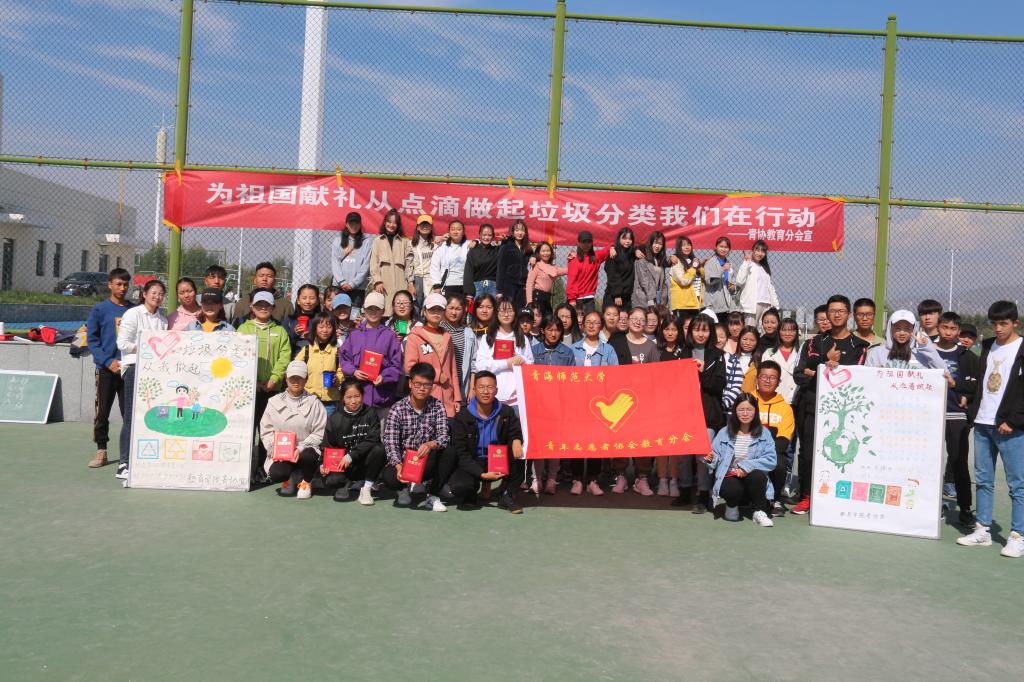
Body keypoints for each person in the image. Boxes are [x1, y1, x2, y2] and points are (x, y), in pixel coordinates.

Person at [956, 301, 1024, 556]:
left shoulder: (1022, 348)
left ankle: (1018, 536)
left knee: (1017, 484)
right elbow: (981, 383)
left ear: (1015, 322)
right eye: (994, 323)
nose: (998, 328)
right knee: (983, 480)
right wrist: (968, 398)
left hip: (1010, 427)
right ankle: (982, 529)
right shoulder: (987, 346)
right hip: (983, 424)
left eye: (1003, 323)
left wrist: (1014, 420)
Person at [791, 295, 868, 515]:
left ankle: (837, 496)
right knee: (808, 453)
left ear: (849, 314)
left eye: (841, 311)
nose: (836, 315)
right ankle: (807, 496)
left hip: (844, 412)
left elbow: (855, 379)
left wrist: (817, 370)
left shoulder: (859, 346)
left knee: (843, 453)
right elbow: (799, 375)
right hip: (812, 407)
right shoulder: (813, 343)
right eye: (832, 311)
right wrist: (824, 362)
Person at [441, 371, 526, 513]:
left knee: (519, 456)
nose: (486, 392)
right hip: (474, 460)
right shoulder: (463, 416)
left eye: (490, 387)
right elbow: (461, 452)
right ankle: (471, 494)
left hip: (498, 459)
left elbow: (514, 431)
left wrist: (517, 440)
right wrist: (481, 474)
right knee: (460, 486)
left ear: (496, 390)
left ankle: (507, 495)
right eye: (481, 387)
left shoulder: (506, 412)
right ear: (474, 390)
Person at [115, 279, 168, 480]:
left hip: (155, 372)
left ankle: (145, 460)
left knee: (154, 416)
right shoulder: (133, 314)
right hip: (134, 369)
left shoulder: (163, 321)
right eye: (153, 292)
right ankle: (123, 463)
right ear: (144, 294)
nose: (157, 296)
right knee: (131, 416)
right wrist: (146, 349)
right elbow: (122, 343)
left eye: (161, 293)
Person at [238, 290, 293, 480]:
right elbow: (238, 356)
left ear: (273, 308)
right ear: (252, 306)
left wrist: (274, 378)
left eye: (267, 305)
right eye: (259, 304)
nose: (263, 308)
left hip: (271, 390)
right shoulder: (243, 329)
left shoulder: (280, 331)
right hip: (248, 390)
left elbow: (284, 357)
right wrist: (252, 381)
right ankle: (244, 469)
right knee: (247, 430)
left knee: (267, 431)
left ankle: (262, 468)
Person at [382, 362, 452, 512]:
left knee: (450, 451)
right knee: (389, 478)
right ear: (410, 383)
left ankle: (432, 495)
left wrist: (431, 444)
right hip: (404, 460)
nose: (422, 388)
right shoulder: (397, 408)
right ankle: (403, 488)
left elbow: (444, 437)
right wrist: (398, 465)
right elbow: (391, 442)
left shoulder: (438, 406)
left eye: (426, 385)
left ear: (432, 386)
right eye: (418, 384)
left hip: (426, 460)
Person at [705, 393, 777, 527]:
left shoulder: (764, 433)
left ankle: (759, 511)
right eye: (741, 410)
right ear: (735, 411)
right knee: (732, 489)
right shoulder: (724, 432)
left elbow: (771, 460)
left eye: (749, 410)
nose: (745, 413)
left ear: (755, 411)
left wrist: (746, 467)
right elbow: (715, 456)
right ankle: (731, 507)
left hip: (751, 475)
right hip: (730, 475)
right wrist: (711, 459)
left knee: (758, 476)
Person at [258, 360, 327, 500]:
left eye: (300, 377)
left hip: (305, 450)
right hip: (282, 452)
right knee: (277, 473)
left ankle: (306, 481)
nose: (296, 381)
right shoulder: (273, 401)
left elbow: (319, 433)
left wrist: (300, 448)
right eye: (292, 377)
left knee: (309, 455)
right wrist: (274, 449)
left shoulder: (315, 403)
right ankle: (289, 478)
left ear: (306, 379)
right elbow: (266, 430)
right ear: (286, 378)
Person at [608, 307, 659, 495]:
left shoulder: (651, 346)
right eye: (634, 318)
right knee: (621, 437)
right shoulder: (616, 342)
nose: (638, 322)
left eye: (641, 319)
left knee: (642, 439)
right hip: (620, 401)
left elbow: (657, 375)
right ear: (627, 320)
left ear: (646, 322)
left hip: (643, 402)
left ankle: (642, 477)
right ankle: (620, 475)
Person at [935, 311, 979, 524]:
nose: (948, 332)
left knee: (958, 462)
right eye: (945, 327)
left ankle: (965, 508)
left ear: (958, 331)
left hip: (956, 416)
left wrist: (965, 396)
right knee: (929, 461)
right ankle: (930, 504)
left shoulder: (968, 357)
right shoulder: (925, 351)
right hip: (930, 415)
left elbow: (975, 387)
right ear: (938, 327)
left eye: (953, 329)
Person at [86, 268, 132, 469]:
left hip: (128, 369)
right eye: (118, 284)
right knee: (102, 411)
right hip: (106, 370)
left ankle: (129, 453)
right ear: (110, 285)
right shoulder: (99, 309)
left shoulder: (134, 310)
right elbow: (92, 341)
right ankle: (101, 450)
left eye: (125, 284)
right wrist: (107, 361)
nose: (122, 288)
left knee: (128, 413)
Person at [568, 310, 619, 496]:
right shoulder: (573, 349)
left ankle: (592, 480)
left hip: (599, 404)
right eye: (588, 322)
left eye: (596, 322)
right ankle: (576, 479)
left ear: (601, 326)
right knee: (577, 441)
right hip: (577, 403)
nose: (591, 325)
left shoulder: (608, 350)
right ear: (583, 325)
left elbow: (615, 377)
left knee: (596, 442)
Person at [683, 314, 727, 513]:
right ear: (690, 331)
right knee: (683, 455)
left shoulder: (717, 355)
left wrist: (703, 372)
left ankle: (703, 495)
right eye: (697, 329)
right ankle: (684, 490)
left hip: (708, 414)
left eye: (705, 330)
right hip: (684, 413)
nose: (701, 334)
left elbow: (719, 384)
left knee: (703, 456)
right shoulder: (683, 352)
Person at [338, 291, 403, 424]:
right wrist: (354, 371)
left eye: (377, 309)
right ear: (364, 310)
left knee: (381, 434)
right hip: (358, 398)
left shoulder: (390, 336)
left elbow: (396, 365)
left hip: (382, 397)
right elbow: (344, 358)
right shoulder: (354, 334)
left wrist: (384, 377)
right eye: (370, 308)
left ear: (383, 311)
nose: (373, 312)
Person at [323, 378, 386, 505]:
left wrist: (351, 455)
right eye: (349, 397)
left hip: (364, 462)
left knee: (380, 449)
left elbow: (373, 439)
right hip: (344, 465)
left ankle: (366, 488)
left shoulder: (370, 413)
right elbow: (328, 445)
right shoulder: (334, 419)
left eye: (357, 396)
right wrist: (324, 464)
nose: (353, 401)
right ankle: (345, 484)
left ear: (362, 395)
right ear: (342, 398)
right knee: (332, 481)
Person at [530, 315, 575, 495]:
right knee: (539, 443)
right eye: (550, 329)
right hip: (538, 405)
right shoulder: (533, 351)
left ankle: (552, 479)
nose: (554, 333)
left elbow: (572, 381)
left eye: (557, 330)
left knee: (555, 443)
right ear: (542, 331)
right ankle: (537, 478)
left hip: (559, 406)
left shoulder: (567, 353)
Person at [403, 293, 462, 417]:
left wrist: (457, 397)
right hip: (424, 396)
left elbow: (453, 370)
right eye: (432, 309)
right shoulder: (415, 337)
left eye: (439, 309)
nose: (436, 313)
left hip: (447, 397)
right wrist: (436, 375)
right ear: (424, 312)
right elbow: (410, 367)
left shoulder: (447, 336)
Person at [474, 297, 534, 413]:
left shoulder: (522, 338)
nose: (506, 314)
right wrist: (506, 363)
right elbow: (480, 366)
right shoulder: (487, 338)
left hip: (517, 399)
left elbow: (530, 366)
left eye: (510, 310)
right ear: (496, 313)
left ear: (515, 313)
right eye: (502, 310)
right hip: (493, 398)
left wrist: (522, 359)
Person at [753, 361, 795, 517]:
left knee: (779, 463)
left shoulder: (785, 408)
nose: (767, 381)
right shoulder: (746, 400)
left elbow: (783, 441)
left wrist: (762, 454)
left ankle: (775, 499)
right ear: (757, 379)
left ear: (778, 382)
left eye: (772, 378)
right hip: (747, 450)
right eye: (763, 376)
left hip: (772, 451)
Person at [655, 316, 688, 497]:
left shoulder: (684, 351)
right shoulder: (657, 349)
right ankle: (662, 480)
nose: (670, 333)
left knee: (674, 444)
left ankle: (674, 480)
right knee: (661, 444)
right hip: (659, 404)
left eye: (674, 329)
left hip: (678, 405)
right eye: (667, 329)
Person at [296, 313, 343, 417]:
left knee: (327, 426)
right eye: (321, 327)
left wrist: (337, 379)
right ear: (315, 329)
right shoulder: (307, 350)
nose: (325, 330)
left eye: (329, 327)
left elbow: (341, 371)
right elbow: (295, 368)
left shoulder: (337, 351)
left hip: (330, 401)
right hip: (309, 399)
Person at [865, 310, 946, 369]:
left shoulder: (921, 353)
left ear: (914, 329)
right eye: (898, 328)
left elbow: (943, 372)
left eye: (907, 328)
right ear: (890, 328)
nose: (902, 333)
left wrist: (926, 347)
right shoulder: (876, 353)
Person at [370, 208, 413, 317]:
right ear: (385, 223)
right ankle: (384, 327)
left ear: (398, 225)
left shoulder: (405, 241)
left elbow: (409, 264)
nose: (391, 225)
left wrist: (410, 283)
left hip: (401, 284)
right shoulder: (377, 241)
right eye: (389, 222)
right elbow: (373, 263)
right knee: (383, 312)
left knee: (401, 313)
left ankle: (401, 329)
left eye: (394, 223)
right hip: (383, 285)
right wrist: (377, 281)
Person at [330, 212, 373, 315]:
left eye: (356, 223)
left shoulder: (367, 242)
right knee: (338, 315)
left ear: (360, 224)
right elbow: (335, 263)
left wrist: (353, 284)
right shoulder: (337, 241)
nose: (354, 226)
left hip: (358, 288)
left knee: (354, 316)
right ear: (346, 224)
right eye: (351, 223)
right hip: (339, 286)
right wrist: (342, 282)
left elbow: (366, 265)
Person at [438, 294, 477, 401]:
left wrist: (472, 388)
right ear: (445, 308)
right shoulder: (439, 329)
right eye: (451, 308)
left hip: (461, 387)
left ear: (463, 311)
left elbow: (473, 363)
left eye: (458, 309)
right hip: (441, 384)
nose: (454, 312)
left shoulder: (468, 333)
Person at [733, 240, 779, 328]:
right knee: (750, 330)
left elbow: (770, 288)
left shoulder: (764, 268)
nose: (760, 253)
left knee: (763, 331)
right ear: (752, 251)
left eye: (763, 251)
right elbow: (739, 281)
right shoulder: (748, 264)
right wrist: (746, 261)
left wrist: (775, 305)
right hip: (752, 305)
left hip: (766, 304)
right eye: (757, 250)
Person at [564, 230, 609, 314]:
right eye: (583, 242)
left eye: (589, 242)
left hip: (589, 299)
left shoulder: (596, 256)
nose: (586, 244)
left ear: (592, 243)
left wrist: (612, 248)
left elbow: (608, 248)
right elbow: (571, 281)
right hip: (576, 300)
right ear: (578, 243)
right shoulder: (574, 259)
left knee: (590, 321)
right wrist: (572, 299)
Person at [760, 317, 800, 405]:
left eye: (791, 330)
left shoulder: (801, 353)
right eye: (784, 330)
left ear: (796, 333)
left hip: (794, 401)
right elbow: (762, 377)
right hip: (771, 399)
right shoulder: (768, 353)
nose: (787, 333)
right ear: (778, 332)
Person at [430, 219, 471, 300]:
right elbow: (434, 267)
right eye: (453, 229)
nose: (456, 232)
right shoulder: (442, 247)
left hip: (465, 285)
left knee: (463, 307)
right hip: (447, 285)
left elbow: (481, 242)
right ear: (449, 232)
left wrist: (476, 242)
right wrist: (437, 285)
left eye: (459, 229)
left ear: (463, 232)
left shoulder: (469, 245)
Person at [496, 219, 532, 309]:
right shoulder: (506, 246)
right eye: (517, 230)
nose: (520, 233)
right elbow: (500, 268)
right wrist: (499, 290)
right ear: (512, 232)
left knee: (520, 311)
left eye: (522, 230)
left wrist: (534, 257)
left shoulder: (527, 249)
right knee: (508, 310)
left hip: (522, 286)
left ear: (525, 232)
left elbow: (535, 259)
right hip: (508, 285)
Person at [525, 241, 567, 317]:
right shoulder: (536, 266)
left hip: (547, 299)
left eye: (548, 251)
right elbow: (529, 284)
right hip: (537, 298)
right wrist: (529, 303)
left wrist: (572, 259)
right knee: (537, 320)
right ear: (539, 253)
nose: (546, 253)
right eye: (543, 251)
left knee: (549, 320)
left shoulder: (554, 268)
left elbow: (568, 270)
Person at [723, 326, 758, 411]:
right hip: (730, 406)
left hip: (750, 406)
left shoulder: (759, 362)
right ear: (739, 339)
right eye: (745, 339)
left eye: (752, 340)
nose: (748, 343)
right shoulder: (730, 359)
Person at [669, 236, 702, 324]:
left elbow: (702, 277)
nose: (687, 247)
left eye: (688, 244)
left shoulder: (694, 261)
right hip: (682, 305)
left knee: (693, 329)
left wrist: (700, 266)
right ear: (679, 247)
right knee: (681, 329)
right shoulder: (676, 262)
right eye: (683, 245)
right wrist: (694, 268)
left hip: (694, 303)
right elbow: (683, 281)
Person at [633, 230, 669, 308]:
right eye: (655, 243)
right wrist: (650, 299)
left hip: (657, 299)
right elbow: (644, 280)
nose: (657, 246)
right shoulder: (642, 259)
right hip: (645, 299)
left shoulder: (660, 260)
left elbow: (661, 282)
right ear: (650, 243)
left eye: (660, 244)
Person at [463, 222, 499, 299]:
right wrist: (469, 292)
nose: (486, 237)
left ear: (493, 236)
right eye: (484, 235)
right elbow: (468, 271)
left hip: (493, 287)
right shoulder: (473, 251)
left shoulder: (497, 250)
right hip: (477, 288)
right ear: (479, 235)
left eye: (489, 235)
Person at [603, 227, 636, 309]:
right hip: (614, 297)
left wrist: (638, 250)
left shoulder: (631, 254)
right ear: (619, 239)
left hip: (627, 296)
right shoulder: (614, 254)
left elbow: (645, 247)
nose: (627, 241)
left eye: (630, 239)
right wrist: (617, 294)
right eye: (624, 238)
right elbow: (612, 275)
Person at [408, 214, 437, 308]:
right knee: (416, 307)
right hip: (417, 279)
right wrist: (410, 284)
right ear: (417, 227)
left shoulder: (435, 244)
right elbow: (408, 265)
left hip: (431, 279)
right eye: (422, 224)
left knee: (429, 306)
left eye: (427, 224)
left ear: (431, 227)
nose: (425, 227)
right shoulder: (411, 244)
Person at [702, 236, 736, 316]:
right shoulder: (710, 262)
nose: (723, 249)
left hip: (727, 305)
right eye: (721, 246)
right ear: (716, 247)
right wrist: (722, 269)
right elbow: (709, 281)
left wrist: (733, 287)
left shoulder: (728, 264)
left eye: (726, 247)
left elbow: (732, 281)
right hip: (714, 305)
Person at [282, 284, 320, 349]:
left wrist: (312, 337)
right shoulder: (289, 320)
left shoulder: (321, 320)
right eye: (304, 298)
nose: (308, 301)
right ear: (298, 301)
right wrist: (294, 333)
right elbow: (282, 341)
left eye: (312, 298)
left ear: (317, 301)